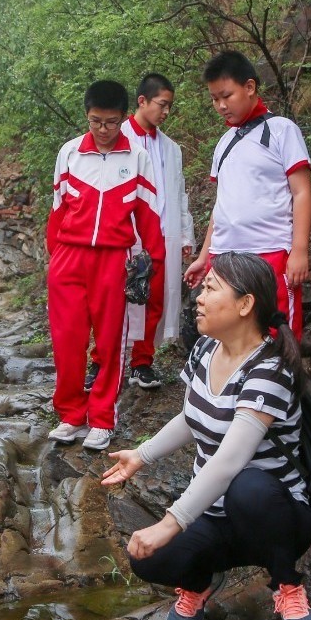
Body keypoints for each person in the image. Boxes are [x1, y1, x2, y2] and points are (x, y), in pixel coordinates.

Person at [102, 251, 311, 620]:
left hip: (276, 515)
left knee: (248, 487)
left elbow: (228, 462)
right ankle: (199, 582)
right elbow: (190, 417)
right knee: (146, 558)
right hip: (216, 514)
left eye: (210, 289)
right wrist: (141, 454)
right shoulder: (206, 349)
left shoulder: (269, 370)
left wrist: (169, 523)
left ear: (245, 304)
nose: (199, 299)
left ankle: (287, 583)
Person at [46, 80, 163, 451]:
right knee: (67, 340)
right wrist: (55, 258)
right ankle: (70, 414)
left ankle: (101, 419)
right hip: (69, 257)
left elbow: (149, 217)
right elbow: (57, 211)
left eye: (111, 122)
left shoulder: (137, 158)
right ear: (87, 115)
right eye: (96, 121)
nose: (103, 129)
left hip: (114, 259)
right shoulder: (69, 153)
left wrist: (152, 265)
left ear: (123, 118)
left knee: (111, 342)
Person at [182, 52, 311, 339]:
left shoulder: (281, 130)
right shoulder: (224, 143)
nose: (220, 105)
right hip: (223, 255)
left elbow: (302, 192)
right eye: (214, 99)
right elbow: (221, 205)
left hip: (270, 251)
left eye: (226, 96)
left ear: (250, 87)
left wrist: (299, 249)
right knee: (223, 334)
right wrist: (204, 257)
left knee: (275, 334)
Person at [117, 72, 194, 389]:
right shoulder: (119, 139)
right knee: (118, 300)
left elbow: (179, 193)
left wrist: (185, 233)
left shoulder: (171, 148)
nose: (166, 111)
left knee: (154, 300)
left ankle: (142, 362)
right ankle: (103, 361)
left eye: (169, 106)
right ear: (142, 101)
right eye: (162, 104)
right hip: (128, 234)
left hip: (163, 234)